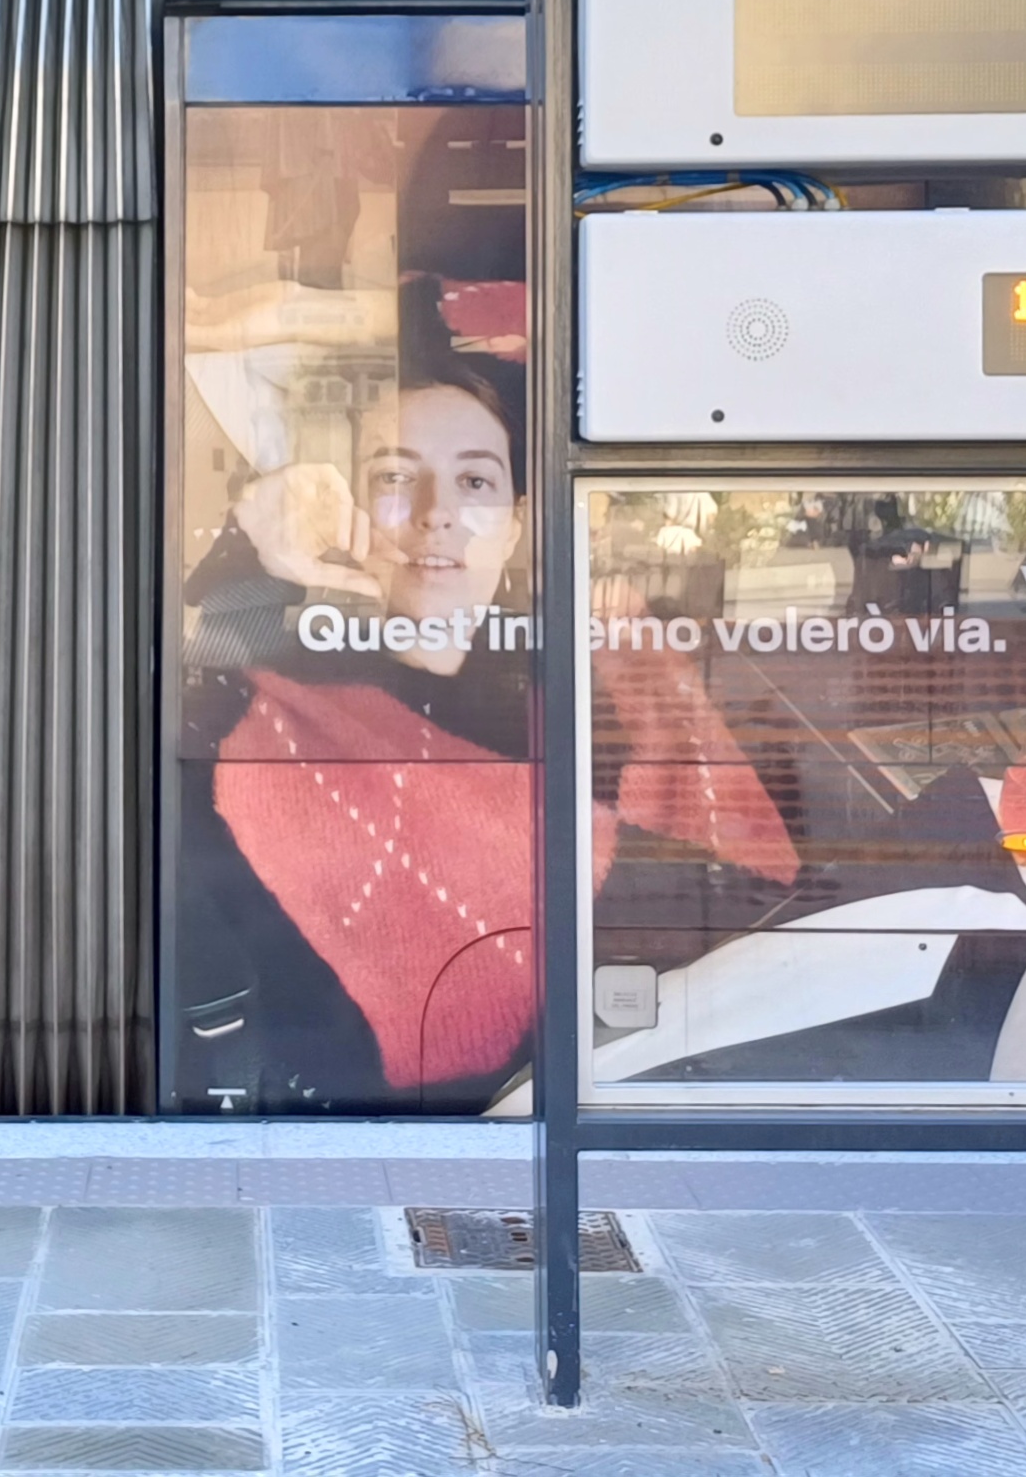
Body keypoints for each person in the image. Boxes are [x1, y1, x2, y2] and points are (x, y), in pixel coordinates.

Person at [179, 280, 797, 1111]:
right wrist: (248, 561)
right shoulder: (264, 684)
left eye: (475, 484)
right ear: (349, 508)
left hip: (603, 1100)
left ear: (515, 523)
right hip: (343, 1120)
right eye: (397, 477)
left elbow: (745, 906)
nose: (436, 516)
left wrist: (325, 307)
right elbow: (153, 706)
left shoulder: (598, 677)